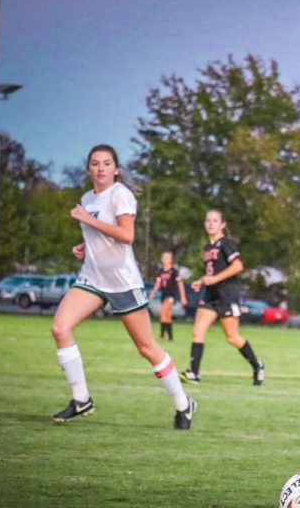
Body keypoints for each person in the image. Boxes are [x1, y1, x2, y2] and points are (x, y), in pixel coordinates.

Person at [50, 145, 196, 430]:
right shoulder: (87, 198)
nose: (101, 168)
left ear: (116, 169)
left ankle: (183, 404)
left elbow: (126, 236)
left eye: (107, 163)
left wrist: (88, 221)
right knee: (60, 328)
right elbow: (101, 235)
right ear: (89, 169)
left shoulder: (121, 195)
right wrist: (85, 245)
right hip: (93, 278)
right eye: (95, 163)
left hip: (122, 282)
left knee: (147, 348)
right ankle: (81, 399)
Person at [180, 210, 265, 386]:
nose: (211, 223)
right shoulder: (208, 248)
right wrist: (202, 281)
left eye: (215, 221)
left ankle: (257, 366)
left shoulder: (226, 244)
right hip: (210, 295)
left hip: (227, 295)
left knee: (232, 337)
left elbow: (238, 266)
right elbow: (213, 272)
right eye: (208, 220)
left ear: (222, 225)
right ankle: (194, 373)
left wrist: (214, 279)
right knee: (197, 331)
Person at [148, 251, 187, 341]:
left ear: (171, 260)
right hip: (164, 294)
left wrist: (183, 297)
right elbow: (158, 283)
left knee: (163, 313)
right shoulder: (160, 271)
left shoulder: (174, 271)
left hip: (171, 294)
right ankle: (170, 337)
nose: (165, 260)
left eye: (168, 258)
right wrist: (153, 292)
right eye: (164, 258)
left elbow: (180, 284)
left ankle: (162, 335)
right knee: (167, 315)